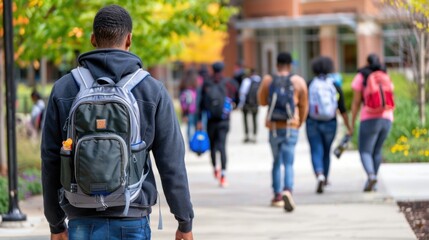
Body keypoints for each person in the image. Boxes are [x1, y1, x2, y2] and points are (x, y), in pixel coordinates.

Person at [41, 5, 194, 240]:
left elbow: (51, 160)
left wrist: (55, 224)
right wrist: (184, 221)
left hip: (81, 217)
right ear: (129, 39)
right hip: (132, 215)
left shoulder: (65, 88)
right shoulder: (151, 90)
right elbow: (171, 162)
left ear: (92, 39)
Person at [257, 52, 308, 212]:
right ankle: (288, 190)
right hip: (291, 126)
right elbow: (304, 106)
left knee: (276, 162)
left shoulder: (268, 80)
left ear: (277, 64)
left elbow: (262, 101)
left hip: (273, 127)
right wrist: (300, 123)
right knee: (289, 162)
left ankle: (277, 195)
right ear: (290, 64)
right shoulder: (298, 81)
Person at [306, 56, 353, 194]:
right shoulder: (334, 85)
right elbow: (342, 108)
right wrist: (348, 126)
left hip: (312, 122)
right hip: (330, 123)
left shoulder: (310, 84)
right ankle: (325, 178)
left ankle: (319, 174)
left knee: (315, 150)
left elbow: (303, 105)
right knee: (326, 151)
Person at [351, 54, 393, 192]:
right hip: (387, 117)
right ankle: (373, 181)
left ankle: (370, 175)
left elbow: (356, 102)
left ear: (367, 62)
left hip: (369, 117)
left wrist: (352, 121)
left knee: (365, 151)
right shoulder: (384, 75)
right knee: (377, 151)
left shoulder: (361, 76)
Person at [197, 61, 237, 187]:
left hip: (211, 121)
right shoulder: (229, 83)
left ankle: (215, 169)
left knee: (213, 146)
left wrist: (199, 120)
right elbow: (237, 97)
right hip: (224, 120)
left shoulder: (206, 84)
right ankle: (224, 175)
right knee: (222, 146)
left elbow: (200, 103)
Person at [238, 68, 261, 143]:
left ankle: (247, 135)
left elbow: (242, 93)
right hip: (255, 104)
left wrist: (240, 104)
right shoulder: (259, 81)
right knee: (255, 119)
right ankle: (254, 135)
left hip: (246, 104)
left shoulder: (246, 81)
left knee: (245, 120)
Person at [179, 68, 199, 142]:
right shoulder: (195, 81)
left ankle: (190, 141)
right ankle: (195, 141)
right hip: (194, 108)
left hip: (187, 109)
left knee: (189, 126)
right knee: (195, 125)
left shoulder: (184, 81)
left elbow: (180, 94)